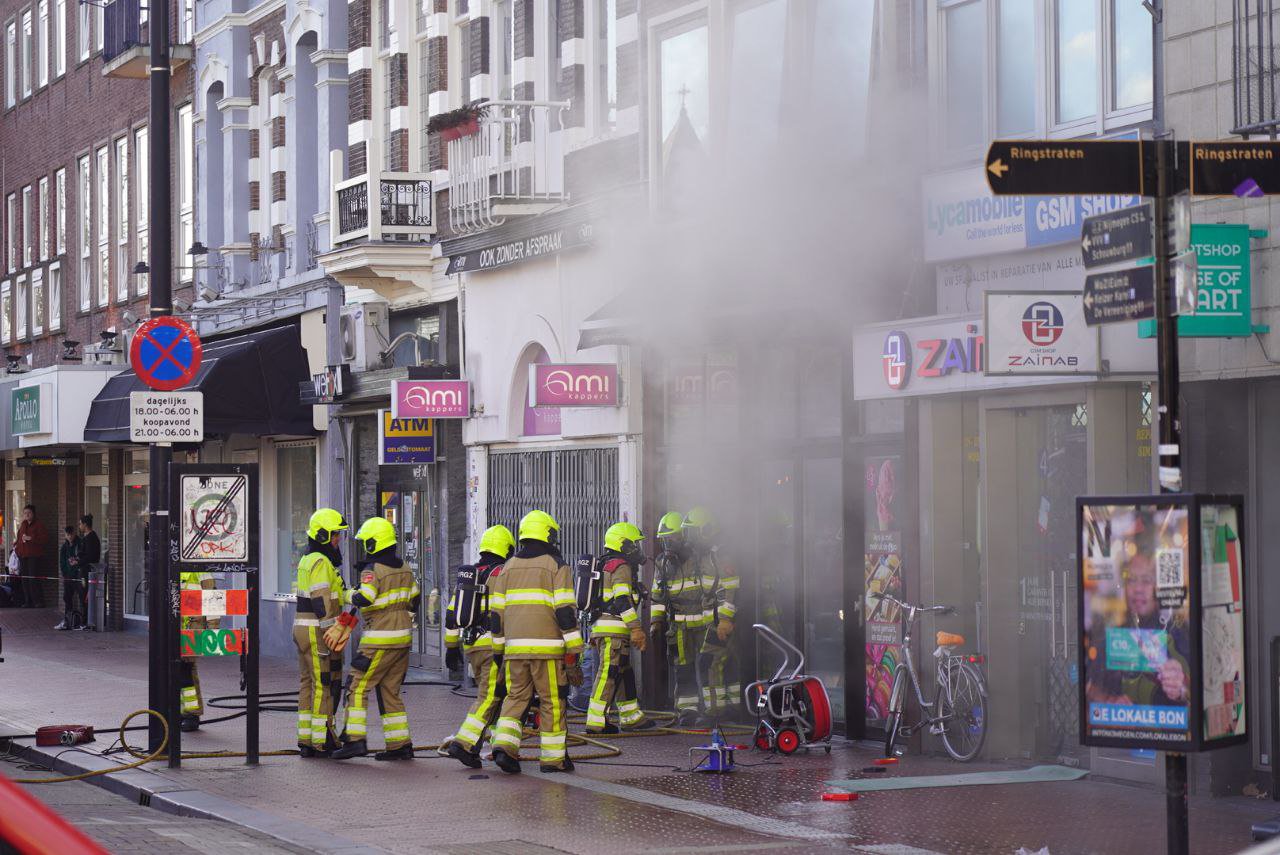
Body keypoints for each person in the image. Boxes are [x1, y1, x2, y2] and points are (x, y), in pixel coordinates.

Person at [487, 510, 582, 774]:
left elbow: (496, 616)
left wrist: (498, 651)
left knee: (516, 697)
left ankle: (504, 747)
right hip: (547, 651)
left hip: (514, 651)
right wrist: (574, 649)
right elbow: (565, 611)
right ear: (548, 533)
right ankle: (553, 759)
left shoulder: (506, 568)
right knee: (553, 701)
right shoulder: (556, 565)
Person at [330, 516, 420, 761]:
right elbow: (415, 598)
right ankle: (400, 745)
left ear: (374, 543)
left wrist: (345, 593)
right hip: (403, 639)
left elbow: (365, 598)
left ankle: (354, 740)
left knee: (356, 686)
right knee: (390, 691)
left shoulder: (372, 571)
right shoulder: (405, 567)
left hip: (379, 639)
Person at [444, 524, 516, 768]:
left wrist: (451, 647)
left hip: (472, 644)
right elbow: (500, 613)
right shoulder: (501, 573)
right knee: (490, 695)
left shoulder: (471, 573)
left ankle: (498, 745)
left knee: (498, 695)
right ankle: (463, 743)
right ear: (506, 548)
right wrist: (500, 649)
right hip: (492, 645)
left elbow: (451, 615)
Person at [1086, 552, 1190, 709]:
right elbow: (1089, 686)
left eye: (1147, 580)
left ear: (1160, 587)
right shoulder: (1113, 638)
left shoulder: (1178, 635)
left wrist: (1181, 687)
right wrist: (1107, 700)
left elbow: (1201, 690)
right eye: (1131, 580)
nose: (1138, 589)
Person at [585, 522, 654, 735]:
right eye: (634, 544)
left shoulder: (605, 564)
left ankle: (631, 716)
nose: (638, 550)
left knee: (624, 672)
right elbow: (622, 599)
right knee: (609, 672)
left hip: (604, 628)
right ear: (624, 544)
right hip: (614, 629)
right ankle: (596, 721)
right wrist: (636, 628)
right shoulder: (620, 565)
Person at [294, 508, 349, 758]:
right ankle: (322, 739)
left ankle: (306, 738)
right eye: (335, 534)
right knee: (323, 684)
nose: (338, 539)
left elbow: (334, 593)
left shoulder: (309, 558)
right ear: (324, 535)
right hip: (318, 630)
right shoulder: (320, 560)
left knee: (308, 682)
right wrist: (333, 631)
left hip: (304, 629)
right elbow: (322, 600)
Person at [651, 511, 706, 724]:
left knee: (707, 665)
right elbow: (657, 597)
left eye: (671, 539)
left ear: (682, 536)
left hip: (702, 623)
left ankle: (710, 710)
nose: (667, 545)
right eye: (664, 540)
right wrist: (656, 622)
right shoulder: (662, 563)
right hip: (678, 626)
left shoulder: (698, 558)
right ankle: (687, 710)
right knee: (683, 669)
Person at [686, 507, 740, 721]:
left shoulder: (721, 554)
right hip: (714, 622)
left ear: (707, 530)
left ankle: (714, 712)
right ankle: (733, 708)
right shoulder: (707, 555)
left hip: (722, 622)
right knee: (727, 663)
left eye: (694, 532)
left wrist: (725, 619)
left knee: (708, 663)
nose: (691, 539)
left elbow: (731, 587)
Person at [179, 571, 219, 731]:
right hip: (177, 626)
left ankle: (191, 714)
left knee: (186, 670)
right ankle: (184, 712)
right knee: (180, 671)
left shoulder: (202, 572)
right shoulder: (176, 565)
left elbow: (213, 601)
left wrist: (213, 629)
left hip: (193, 628)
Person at [14, 504, 48, 608]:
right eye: (25, 513)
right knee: (25, 579)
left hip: (34, 555)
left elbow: (44, 540)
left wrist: (31, 538)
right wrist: (16, 547)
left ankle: (38, 601)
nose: (26, 515)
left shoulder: (39, 525)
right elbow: (20, 537)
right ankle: (27, 601)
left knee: (33, 578)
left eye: (29, 513)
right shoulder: (23, 524)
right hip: (23, 555)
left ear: (33, 514)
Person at [75, 515, 101, 628]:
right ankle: (85, 619)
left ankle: (87, 621)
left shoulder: (91, 538)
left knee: (85, 594)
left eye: (80, 524)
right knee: (82, 594)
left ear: (85, 525)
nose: (79, 526)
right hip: (83, 570)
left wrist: (79, 562)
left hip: (87, 572)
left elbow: (90, 556)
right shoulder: (86, 537)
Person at [55, 526, 81, 630]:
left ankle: (82, 620)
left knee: (82, 597)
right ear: (65, 535)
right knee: (67, 597)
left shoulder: (79, 544)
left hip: (78, 576)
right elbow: (62, 562)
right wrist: (65, 574)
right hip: (68, 577)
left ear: (74, 534)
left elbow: (81, 557)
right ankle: (67, 619)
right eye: (67, 535)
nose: (70, 537)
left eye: (71, 534)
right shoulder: (64, 547)